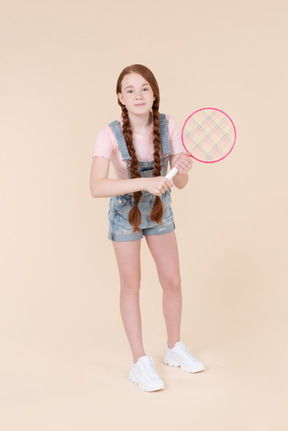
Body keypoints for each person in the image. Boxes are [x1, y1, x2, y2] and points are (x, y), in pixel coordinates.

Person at [90, 64, 205, 392]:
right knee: (132, 285)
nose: (138, 95)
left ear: (154, 94)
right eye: (130, 90)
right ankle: (140, 362)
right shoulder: (108, 133)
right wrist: (144, 181)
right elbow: (96, 187)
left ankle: (174, 348)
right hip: (125, 214)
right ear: (120, 98)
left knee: (172, 280)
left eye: (144, 88)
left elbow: (179, 184)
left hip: (159, 210)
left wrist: (181, 167)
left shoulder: (169, 125)